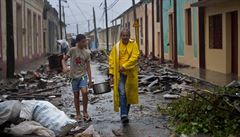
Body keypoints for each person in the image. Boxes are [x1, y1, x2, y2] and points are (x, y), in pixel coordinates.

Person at [108, 28, 140, 123]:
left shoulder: (134, 44)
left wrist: (124, 66)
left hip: (131, 74)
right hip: (120, 74)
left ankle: (125, 113)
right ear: (121, 36)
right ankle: (123, 114)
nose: (125, 37)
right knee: (122, 93)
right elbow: (111, 60)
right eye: (123, 35)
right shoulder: (116, 47)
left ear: (129, 36)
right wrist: (111, 73)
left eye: (127, 35)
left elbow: (135, 57)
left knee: (128, 94)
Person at [62, 34, 92, 122]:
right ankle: (78, 113)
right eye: (83, 41)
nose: (85, 43)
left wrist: (90, 80)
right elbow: (63, 59)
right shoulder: (72, 50)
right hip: (73, 77)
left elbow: (88, 67)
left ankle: (85, 112)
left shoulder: (87, 52)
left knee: (85, 92)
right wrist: (64, 67)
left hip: (83, 76)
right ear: (78, 42)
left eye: (85, 41)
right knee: (76, 95)